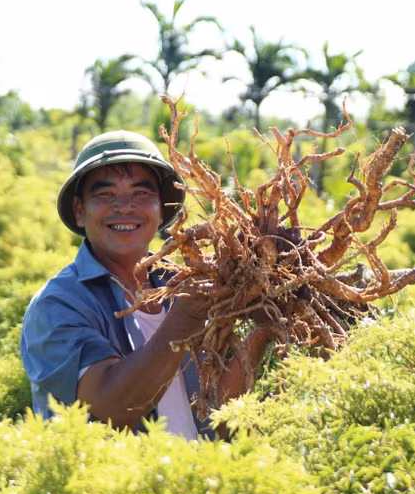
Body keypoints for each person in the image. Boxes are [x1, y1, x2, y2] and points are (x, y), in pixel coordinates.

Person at [20, 130, 272, 440]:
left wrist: (265, 328)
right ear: (79, 210)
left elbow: (215, 411)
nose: (125, 207)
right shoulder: (58, 305)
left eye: (141, 193)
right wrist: (185, 319)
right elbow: (114, 408)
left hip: (199, 482)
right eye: (106, 194)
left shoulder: (184, 284)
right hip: (119, 486)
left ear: (162, 209)